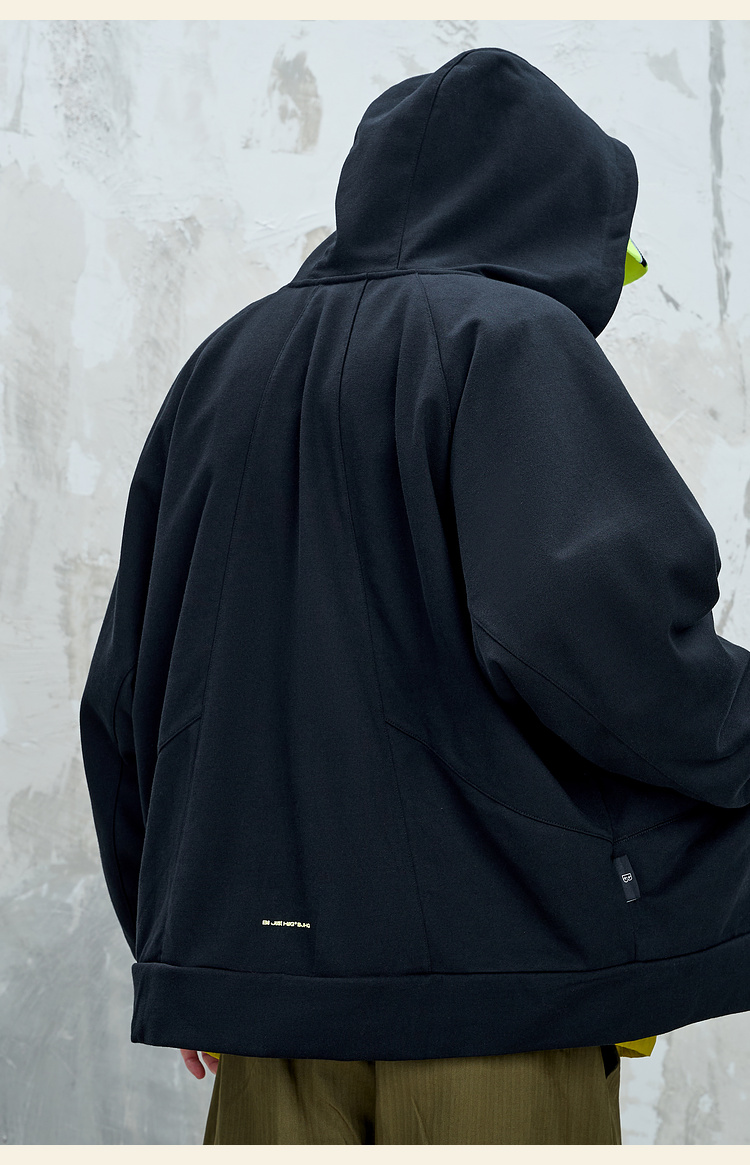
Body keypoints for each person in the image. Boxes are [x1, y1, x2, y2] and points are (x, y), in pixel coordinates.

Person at [79, 46, 750, 1145]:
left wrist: (193, 951)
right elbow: (613, 651)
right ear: (556, 213)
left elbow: (128, 698)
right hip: (490, 1010)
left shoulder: (220, 367)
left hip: (268, 1015)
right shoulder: (511, 339)